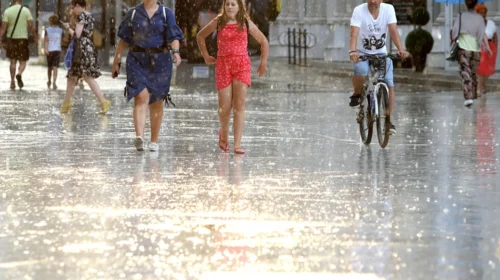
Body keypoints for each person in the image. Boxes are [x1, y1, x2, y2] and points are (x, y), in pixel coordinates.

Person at [196, 0, 269, 155]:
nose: (230, 7)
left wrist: (263, 63)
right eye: (227, 4)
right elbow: (200, 36)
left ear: (239, 7)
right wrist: (206, 56)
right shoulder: (219, 21)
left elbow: (263, 41)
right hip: (223, 65)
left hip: (241, 65)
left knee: (239, 105)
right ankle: (224, 134)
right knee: (224, 107)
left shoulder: (245, 23)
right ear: (224, 6)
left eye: (233, 4)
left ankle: (237, 144)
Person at [112, 0, 184, 152]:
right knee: (141, 96)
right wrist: (116, 61)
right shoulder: (132, 13)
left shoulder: (166, 13)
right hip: (137, 59)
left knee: (157, 100)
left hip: (161, 61)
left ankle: (154, 141)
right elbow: (124, 39)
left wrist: (176, 52)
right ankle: (140, 138)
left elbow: (174, 37)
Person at [349, 0, 409, 136]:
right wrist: (352, 51)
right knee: (361, 71)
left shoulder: (388, 10)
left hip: (381, 53)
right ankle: (357, 93)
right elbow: (354, 33)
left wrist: (400, 49)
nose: (373, 1)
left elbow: (393, 31)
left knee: (389, 82)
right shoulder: (358, 11)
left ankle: (388, 121)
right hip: (361, 53)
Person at [61, 0, 111, 114]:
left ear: (78, 6)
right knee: (74, 76)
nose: (73, 10)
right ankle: (66, 103)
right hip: (87, 47)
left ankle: (103, 101)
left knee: (84, 76)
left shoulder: (82, 15)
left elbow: (77, 35)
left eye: (73, 7)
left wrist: (68, 28)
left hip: (81, 49)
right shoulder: (89, 15)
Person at [452, 0, 485, 107]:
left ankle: (468, 96)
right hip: (475, 48)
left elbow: (454, 32)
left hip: (463, 47)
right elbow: (481, 34)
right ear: (476, 4)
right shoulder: (479, 18)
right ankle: (473, 94)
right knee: (473, 72)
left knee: (465, 71)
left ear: (466, 4)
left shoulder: (460, 16)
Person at [0, 0, 37, 90]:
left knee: (13, 61)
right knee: (23, 61)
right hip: (23, 39)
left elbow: (3, 28)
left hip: (11, 40)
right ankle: (19, 73)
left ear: (13, 1)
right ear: (20, 1)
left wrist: (0, 38)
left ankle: (12, 82)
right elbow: (31, 26)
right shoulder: (26, 10)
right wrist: (35, 37)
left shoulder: (7, 11)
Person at [475, 4, 497, 96]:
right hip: (479, 46)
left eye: (484, 13)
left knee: (487, 69)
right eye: (481, 13)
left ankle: (483, 85)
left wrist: (495, 48)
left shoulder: (491, 23)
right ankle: (479, 87)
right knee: (480, 67)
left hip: (491, 46)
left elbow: (495, 36)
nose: (483, 15)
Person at [44, 14, 63, 90]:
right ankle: (54, 82)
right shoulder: (60, 30)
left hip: (50, 50)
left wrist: (45, 49)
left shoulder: (47, 30)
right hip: (57, 50)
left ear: (50, 22)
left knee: (49, 67)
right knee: (55, 67)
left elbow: (46, 40)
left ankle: (49, 80)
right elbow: (62, 40)